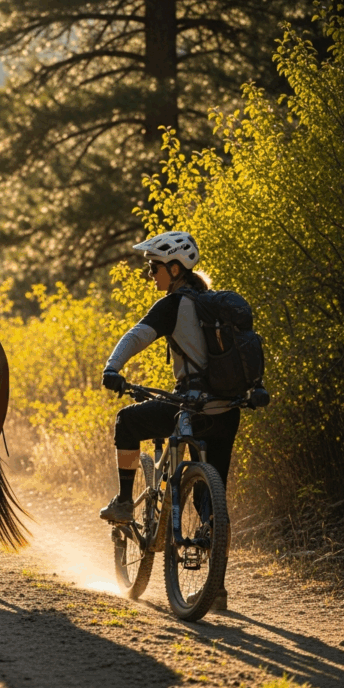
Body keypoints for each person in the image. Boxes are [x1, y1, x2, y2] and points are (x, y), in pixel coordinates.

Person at [98, 230, 241, 610]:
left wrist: (113, 368)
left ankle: (126, 502)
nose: (151, 275)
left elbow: (136, 336)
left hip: (191, 405)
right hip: (226, 410)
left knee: (127, 422)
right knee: (214, 498)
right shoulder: (217, 304)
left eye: (155, 267)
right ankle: (218, 590)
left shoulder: (175, 303)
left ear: (175, 268)